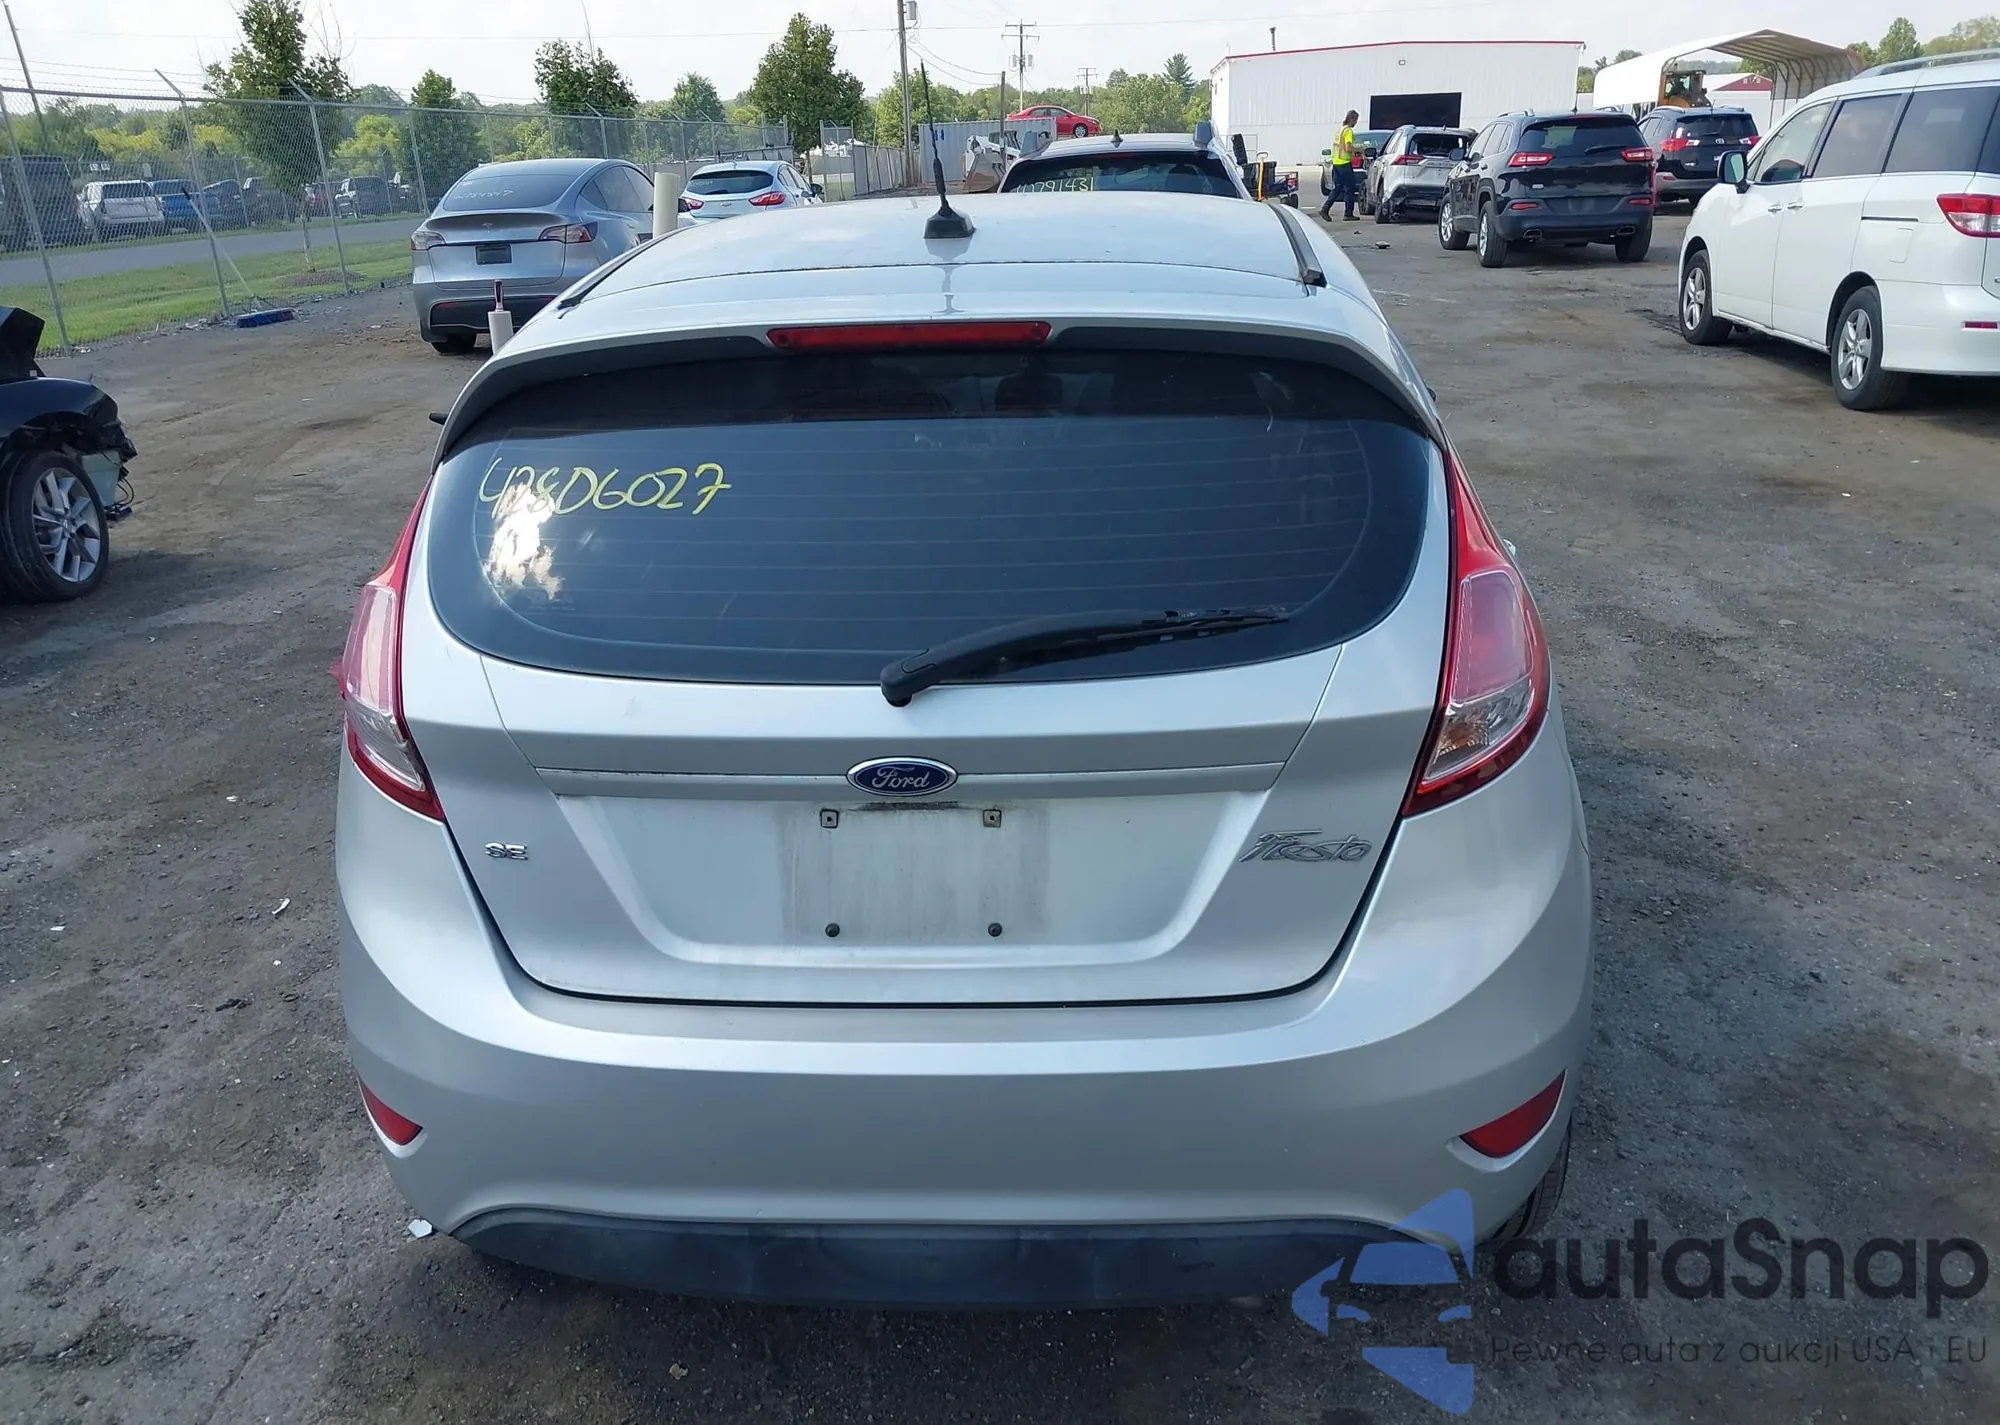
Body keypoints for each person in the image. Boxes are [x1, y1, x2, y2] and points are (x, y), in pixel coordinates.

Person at [1319, 109, 1360, 222]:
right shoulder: (1348, 131)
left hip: (1336, 163)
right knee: (1350, 188)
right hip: (1344, 164)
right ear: (1352, 119)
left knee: (1337, 188)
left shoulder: (1340, 129)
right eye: (1356, 120)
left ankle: (1325, 208)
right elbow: (1348, 148)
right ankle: (1348, 214)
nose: (1356, 123)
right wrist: (1359, 150)